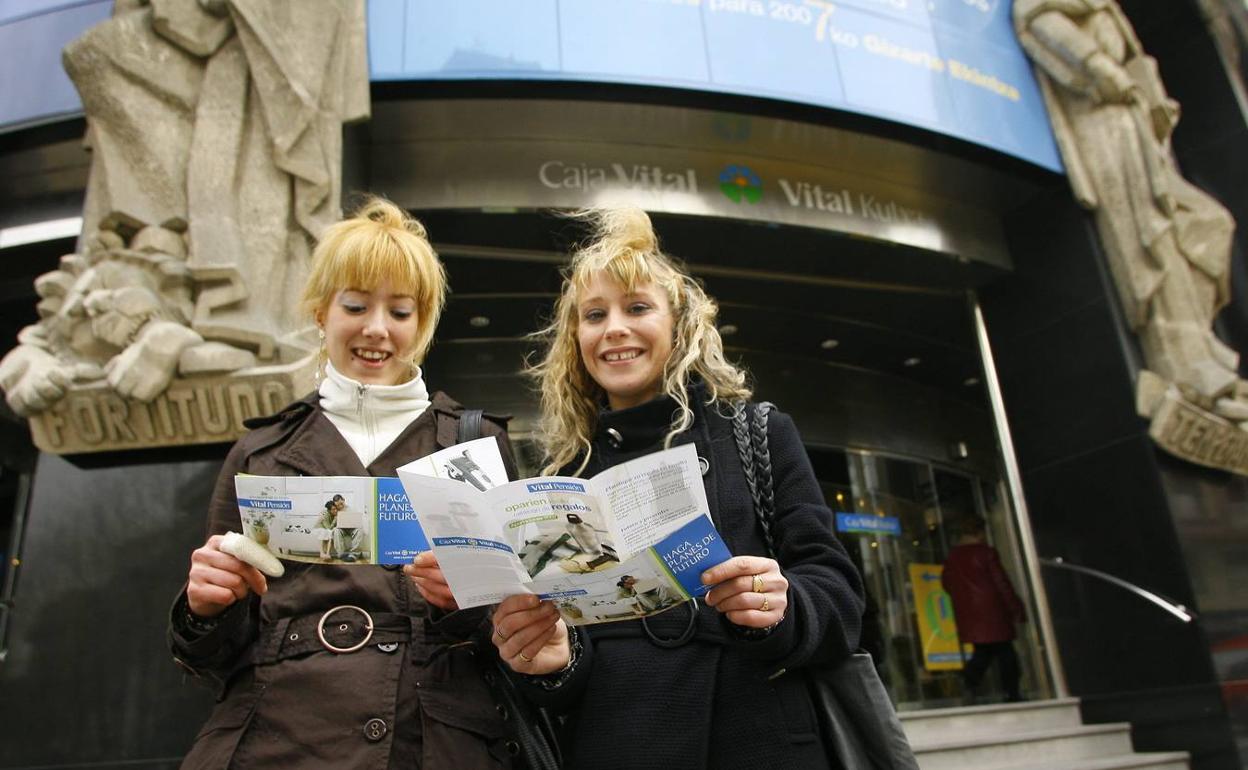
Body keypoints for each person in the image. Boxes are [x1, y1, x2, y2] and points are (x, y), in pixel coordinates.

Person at [487, 208, 866, 769]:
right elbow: (567, 668)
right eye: (594, 315)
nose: (614, 327)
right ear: (577, 340)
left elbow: (840, 596)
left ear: (679, 325)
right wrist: (553, 661)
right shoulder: (560, 478)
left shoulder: (756, 434)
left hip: (758, 742)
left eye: (637, 308)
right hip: (618, 744)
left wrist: (780, 605)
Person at [167, 197, 518, 769]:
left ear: (422, 324)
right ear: (321, 312)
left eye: (401, 312)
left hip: (428, 737)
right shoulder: (260, 452)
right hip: (273, 739)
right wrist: (205, 608)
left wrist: (467, 604)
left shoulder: (472, 446)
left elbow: (515, 628)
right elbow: (216, 656)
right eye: (355, 304)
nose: (377, 329)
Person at [941, 516, 1027, 703]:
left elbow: (947, 584)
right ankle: (1010, 692)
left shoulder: (953, 556)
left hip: (971, 614)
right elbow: (1001, 583)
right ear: (980, 532)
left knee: (984, 650)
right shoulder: (986, 553)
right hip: (993, 610)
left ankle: (969, 680)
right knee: (1006, 654)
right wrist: (1015, 607)